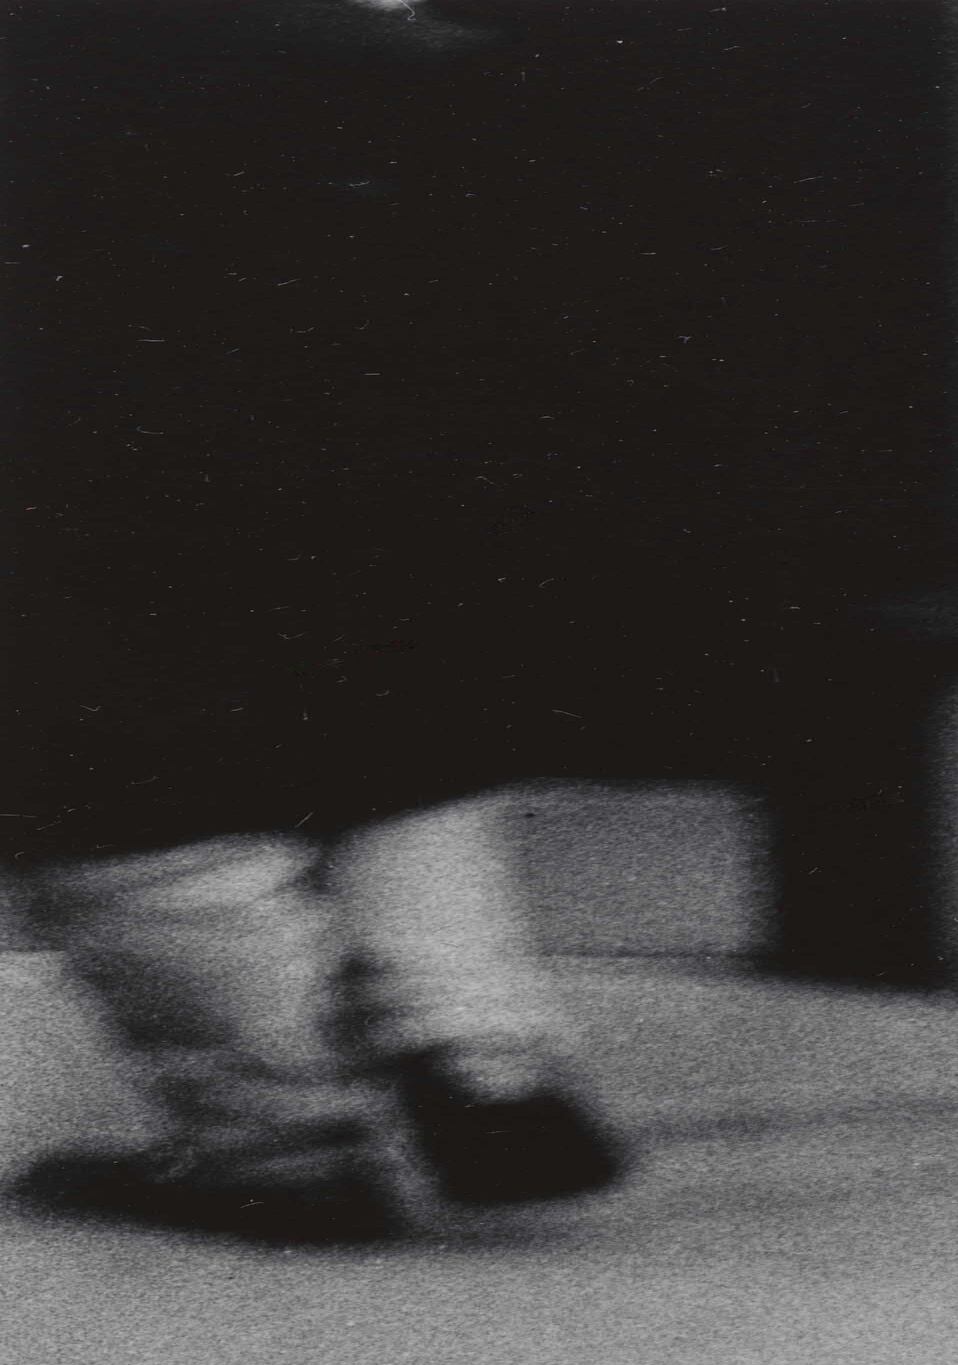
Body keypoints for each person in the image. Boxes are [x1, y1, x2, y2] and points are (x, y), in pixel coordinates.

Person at [2, 0, 630, 1242]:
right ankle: (480, 1048)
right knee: (402, 771)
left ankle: (277, 1136)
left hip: (84, 483)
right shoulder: (409, 61)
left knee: (139, 814)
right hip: (384, 479)